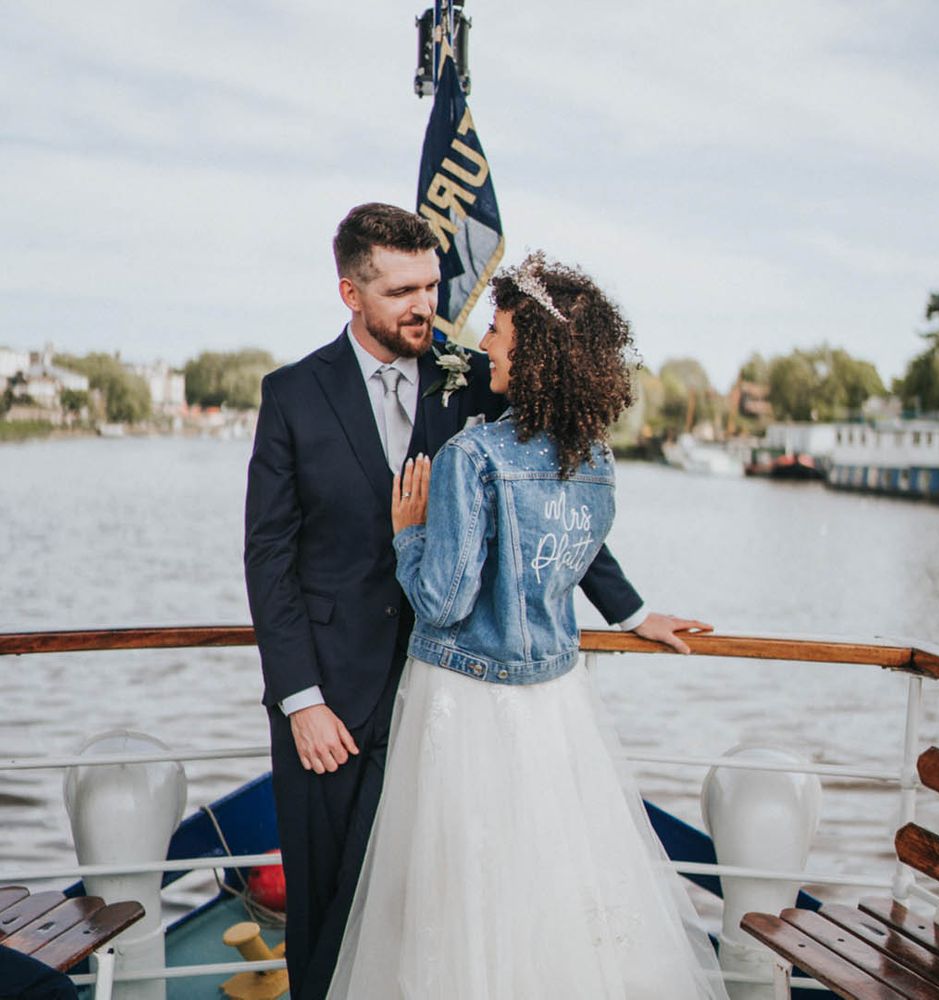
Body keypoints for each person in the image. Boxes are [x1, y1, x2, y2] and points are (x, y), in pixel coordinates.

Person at [244, 205, 696, 999]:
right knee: (322, 919)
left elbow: (547, 497)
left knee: (434, 912)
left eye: (431, 284)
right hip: (332, 702)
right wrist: (298, 699)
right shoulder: (291, 395)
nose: (426, 306)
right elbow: (268, 558)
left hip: (446, 702)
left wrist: (627, 610)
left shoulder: (476, 375)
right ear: (351, 292)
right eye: (402, 291)